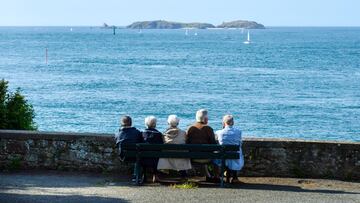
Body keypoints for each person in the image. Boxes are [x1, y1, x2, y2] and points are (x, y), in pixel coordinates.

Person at [186, 109, 217, 181]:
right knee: (216, 156)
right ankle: (216, 176)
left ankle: (207, 175)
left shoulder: (190, 128)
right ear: (205, 119)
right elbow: (214, 145)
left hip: (193, 157)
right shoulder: (209, 129)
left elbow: (187, 143)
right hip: (207, 157)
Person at [215, 115, 244, 184]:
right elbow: (240, 143)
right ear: (233, 123)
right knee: (235, 153)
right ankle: (234, 178)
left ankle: (227, 178)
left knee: (227, 157)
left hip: (222, 157)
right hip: (235, 156)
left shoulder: (219, 132)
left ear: (223, 123)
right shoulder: (239, 131)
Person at [114, 115, 143, 182]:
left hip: (123, 156)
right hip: (136, 156)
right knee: (139, 155)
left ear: (121, 123)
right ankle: (136, 175)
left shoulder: (118, 134)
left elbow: (116, 143)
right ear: (131, 123)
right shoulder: (137, 132)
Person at [141, 116, 163, 182]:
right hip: (155, 158)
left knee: (143, 154)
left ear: (146, 124)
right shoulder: (159, 134)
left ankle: (144, 175)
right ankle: (155, 175)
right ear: (155, 124)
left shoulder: (142, 133)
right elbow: (161, 146)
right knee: (156, 155)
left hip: (144, 157)